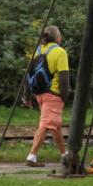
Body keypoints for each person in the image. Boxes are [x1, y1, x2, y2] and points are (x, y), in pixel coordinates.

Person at [26, 25, 70, 167]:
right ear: (57, 37)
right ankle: (31, 157)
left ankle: (65, 155)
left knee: (55, 124)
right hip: (54, 93)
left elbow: (28, 74)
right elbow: (64, 77)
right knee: (46, 124)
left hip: (39, 93)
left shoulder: (37, 50)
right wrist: (64, 96)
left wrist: (27, 96)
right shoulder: (60, 52)